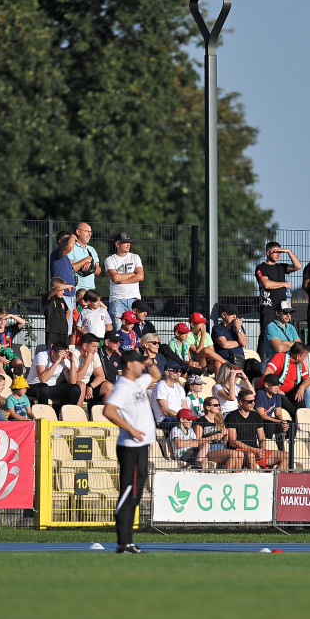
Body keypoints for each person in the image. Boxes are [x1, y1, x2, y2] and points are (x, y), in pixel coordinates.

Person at [102, 349, 156, 553]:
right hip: (130, 447)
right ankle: (123, 542)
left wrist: (150, 363)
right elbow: (108, 410)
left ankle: (128, 542)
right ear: (129, 365)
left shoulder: (137, 383)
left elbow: (157, 376)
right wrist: (131, 428)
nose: (142, 366)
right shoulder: (123, 386)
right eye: (139, 363)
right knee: (128, 493)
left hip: (141, 447)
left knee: (135, 494)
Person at [254, 241, 301, 354]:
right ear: (268, 252)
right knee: (266, 333)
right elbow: (266, 284)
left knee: (282, 333)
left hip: (282, 308)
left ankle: (281, 359)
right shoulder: (261, 267)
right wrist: (284, 284)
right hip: (268, 307)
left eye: (280, 252)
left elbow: (298, 266)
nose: (278, 255)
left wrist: (288, 251)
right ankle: (261, 361)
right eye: (275, 252)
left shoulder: (281, 267)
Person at [225, 387, 288, 470]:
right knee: (250, 455)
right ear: (241, 402)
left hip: (256, 451)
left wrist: (261, 450)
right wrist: (253, 450)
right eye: (250, 401)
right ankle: (254, 479)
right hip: (240, 452)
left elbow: (262, 438)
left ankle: (272, 479)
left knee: (286, 456)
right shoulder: (232, 416)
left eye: (254, 400)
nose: (253, 403)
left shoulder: (256, 416)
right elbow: (233, 441)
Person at [104, 232, 144, 329]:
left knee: (134, 330)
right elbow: (115, 278)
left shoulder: (135, 257)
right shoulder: (110, 260)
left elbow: (140, 276)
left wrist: (123, 280)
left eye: (129, 242)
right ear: (117, 244)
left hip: (134, 299)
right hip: (117, 299)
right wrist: (132, 274)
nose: (128, 244)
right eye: (125, 242)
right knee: (118, 328)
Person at [26, 341, 82, 410]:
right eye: (61, 354)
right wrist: (57, 361)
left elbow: (72, 381)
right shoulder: (41, 356)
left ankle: (65, 413)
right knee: (44, 387)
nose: (64, 356)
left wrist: (72, 362)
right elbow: (43, 379)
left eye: (65, 353)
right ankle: (44, 414)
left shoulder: (64, 359)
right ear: (53, 353)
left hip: (51, 388)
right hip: (34, 386)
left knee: (75, 388)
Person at [194, 397, 244, 469]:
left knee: (240, 454)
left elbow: (224, 443)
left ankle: (231, 476)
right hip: (208, 450)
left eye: (219, 405)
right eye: (215, 405)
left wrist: (226, 435)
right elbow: (197, 441)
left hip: (221, 448)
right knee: (234, 454)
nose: (218, 407)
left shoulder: (219, 421)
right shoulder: (201, 421)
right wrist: (213, 437)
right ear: (208, 407)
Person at [262, 341, 310, 412]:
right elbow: (267, 373)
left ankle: (302, 418)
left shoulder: (300, 364)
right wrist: (276, 388)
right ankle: (297, 418)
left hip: (290, 392)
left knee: (300, 399)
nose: (306, 358)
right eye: (304, 355)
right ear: (298, 356)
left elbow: (308, 379)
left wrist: (302, 387)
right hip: (274, 391)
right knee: (281, 397)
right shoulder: (280, 357)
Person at [255, 374, 292, 448]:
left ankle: (289, 448)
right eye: (274, 385)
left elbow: (278, 414)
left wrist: (283, 422)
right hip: (260, 422)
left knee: (291, 424)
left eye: (278, 385)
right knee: (270, 425)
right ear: (266, 385)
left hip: (270, 421)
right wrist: (278, 421)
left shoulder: (277, 395)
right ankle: (267, 448)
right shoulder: (260, 394)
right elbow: (261, 415)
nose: (277, 387)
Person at [151, 361, 188, 432]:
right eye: (176, 371)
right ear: (167, 372)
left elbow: (185, 407)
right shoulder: (161, 386)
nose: (179, 373)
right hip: (165, 420)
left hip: (179, 418)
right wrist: (182, 417)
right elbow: (165, 411)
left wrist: (189, 417)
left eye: (180, 371)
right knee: (180, 423)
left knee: (199, 422)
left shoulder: (180, 388)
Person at [49, 228, 78, 312]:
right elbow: (70, 246)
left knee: (69, 323)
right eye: (67, 240)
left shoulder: (66, 257)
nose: (70, 241)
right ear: (60, 241)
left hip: (70, 295)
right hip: (62, 295)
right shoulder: (57, 253)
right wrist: (73, 236)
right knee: (63, 323)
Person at [68, 222, 101, 292]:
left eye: (90, 232)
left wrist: (91, 266)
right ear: (78, 232)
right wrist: (85, 261)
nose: (90, 234)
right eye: (87, 232)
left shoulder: (92, 250)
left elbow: (99, 271)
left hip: (91, 289)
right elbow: (69, 269)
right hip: (75, 289)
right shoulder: (71, 248)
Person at [42, 277, 71, 348]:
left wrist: (64, 322)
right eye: (62, 290)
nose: (63, 292)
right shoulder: (47, 298)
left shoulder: (61, 300)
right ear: (53, 288)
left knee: (64, 351)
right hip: (52, 331)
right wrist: (68, 286)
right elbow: (58, 288)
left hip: (63, 331)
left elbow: (68, 311)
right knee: (52, 351)